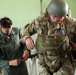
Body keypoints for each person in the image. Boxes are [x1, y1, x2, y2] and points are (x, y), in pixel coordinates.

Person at [21, 0, 76, 75]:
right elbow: (25, 30)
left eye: (63, 16)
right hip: (44, 63)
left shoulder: (70, 23)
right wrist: (27, 38)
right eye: (58, 17)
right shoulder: (39, 21)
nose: (61, 19)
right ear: (51, 14)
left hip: (64, 63)